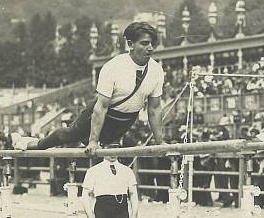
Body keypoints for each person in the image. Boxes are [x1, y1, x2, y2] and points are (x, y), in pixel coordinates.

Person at [14, 22, 165, 155]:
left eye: (152, 43)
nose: (150, 48)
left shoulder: (157, 70)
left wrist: (160, 143)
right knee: (67, 136)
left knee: (122, 151)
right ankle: (30, 143)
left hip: (127, 119)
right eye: (144, 43)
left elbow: (154, 109)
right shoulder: (114, 67)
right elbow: (101, 107)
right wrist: (93, 141)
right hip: (102, 114)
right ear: (131, 44)